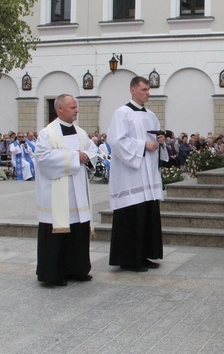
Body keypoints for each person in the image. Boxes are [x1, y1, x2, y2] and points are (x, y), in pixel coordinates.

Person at [34, 94, 98, 287]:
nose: (76, 110)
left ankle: (77, 269)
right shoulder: (47, 133)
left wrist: (86, 155)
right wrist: (73, 157)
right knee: (58, 231)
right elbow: (43, 158)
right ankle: (53, 274)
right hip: (56, 195)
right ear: (60, 109)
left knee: (78, 229)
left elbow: (93, 150)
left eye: (76, 107)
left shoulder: (80, 133)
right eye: (72, 107)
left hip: (78, 192)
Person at [107, 76, 169, 272]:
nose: (147, 93)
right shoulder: (122, 113)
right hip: (130, 176)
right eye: (144, 89)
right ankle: (128, 259)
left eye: (149, 90)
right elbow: (116, 141)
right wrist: (143, 145)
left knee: (147, 215)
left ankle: (144, 255)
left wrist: (160, 140)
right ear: (133, 90)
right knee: (132, 216)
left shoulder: (150, 115)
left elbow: (156, 140)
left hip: (148, 174)